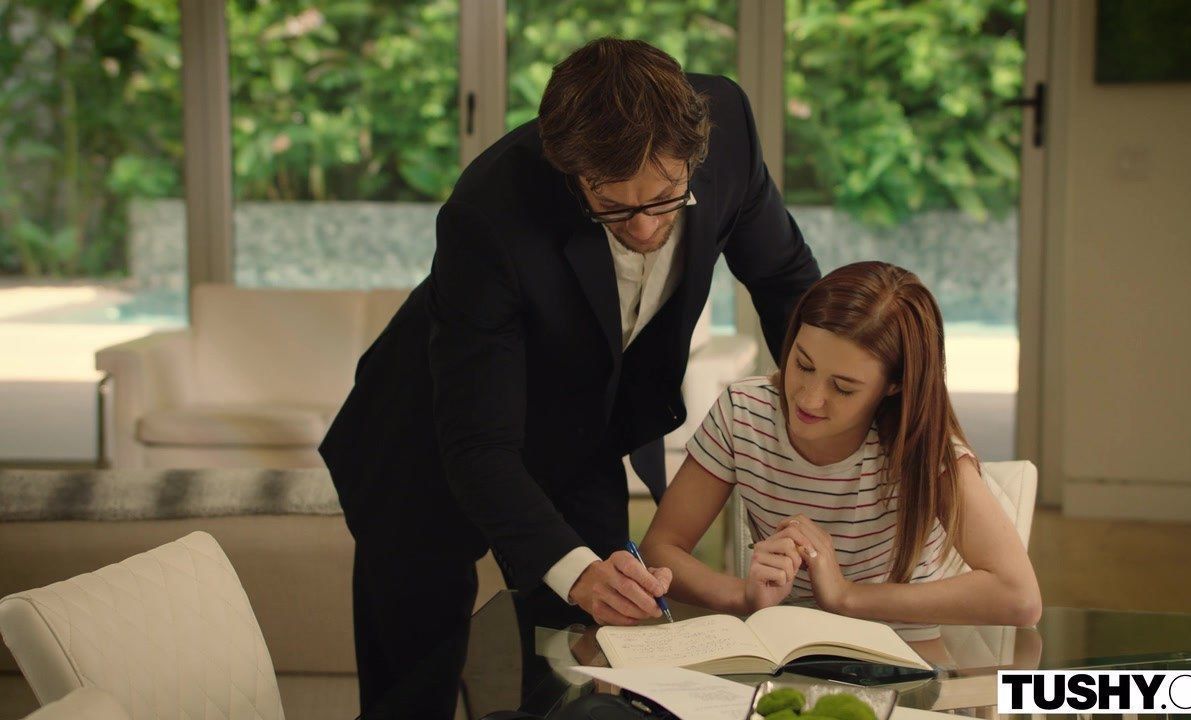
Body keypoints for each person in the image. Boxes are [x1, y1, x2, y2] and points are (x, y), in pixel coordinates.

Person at [319, 38, 820, 717]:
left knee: (589, 665)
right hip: (426, 442)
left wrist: (835, 400)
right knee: (412, 689)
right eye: (614, 208)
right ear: (572, 172)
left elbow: (787, 281)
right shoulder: (488, 213)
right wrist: (576, 571)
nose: (644, 228)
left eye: (666, 200)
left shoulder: (726, 129)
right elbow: (478, 444)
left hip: (580, 427)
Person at [641, 262, 1041, 639]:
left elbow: (1019, 597)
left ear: (894, 385)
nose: (809, 399)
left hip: (904, 654)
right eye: (803, 365)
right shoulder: (745, 411)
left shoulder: (923, 448)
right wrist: (743, 595)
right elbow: (660, 550)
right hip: (787, 648)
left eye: (843, 387)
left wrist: (845, 596)